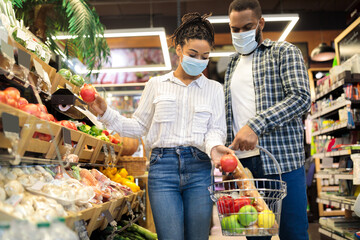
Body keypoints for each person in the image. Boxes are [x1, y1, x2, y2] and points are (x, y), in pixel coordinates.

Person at [88, 12, 232, 240]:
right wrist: (106, 113)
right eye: (193, 54)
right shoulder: (156, 85)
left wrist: (215, 148)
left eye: (205, 56)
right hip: (162, 169)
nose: (199, 60)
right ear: (179, 50)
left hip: (199, 168)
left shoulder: (215, 89)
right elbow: (137, 126)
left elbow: (215, 130)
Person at [224, 0, 311, 239]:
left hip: (282, 164)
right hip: (247, 169)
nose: (240, 33)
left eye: (247, 26)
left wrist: (256, 125)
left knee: (293, 233)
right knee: (256, 234)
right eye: (235, 29)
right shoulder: (231, 64)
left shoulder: (284, 52)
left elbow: (301, 97)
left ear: (261, 23)